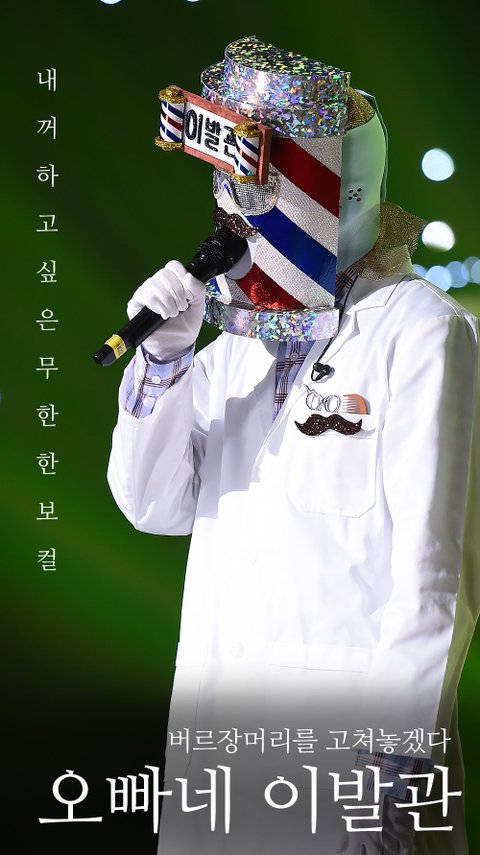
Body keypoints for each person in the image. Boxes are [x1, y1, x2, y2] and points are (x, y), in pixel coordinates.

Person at [107, 37, 479, 854]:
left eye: (258, 186)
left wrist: (383, 794)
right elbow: (152, 505)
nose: (234, 211)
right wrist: (163, 360)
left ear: (337, 191)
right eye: (228, 185)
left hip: (343, 787)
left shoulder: (421, 332)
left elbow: (433, 582)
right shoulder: (235, 348)